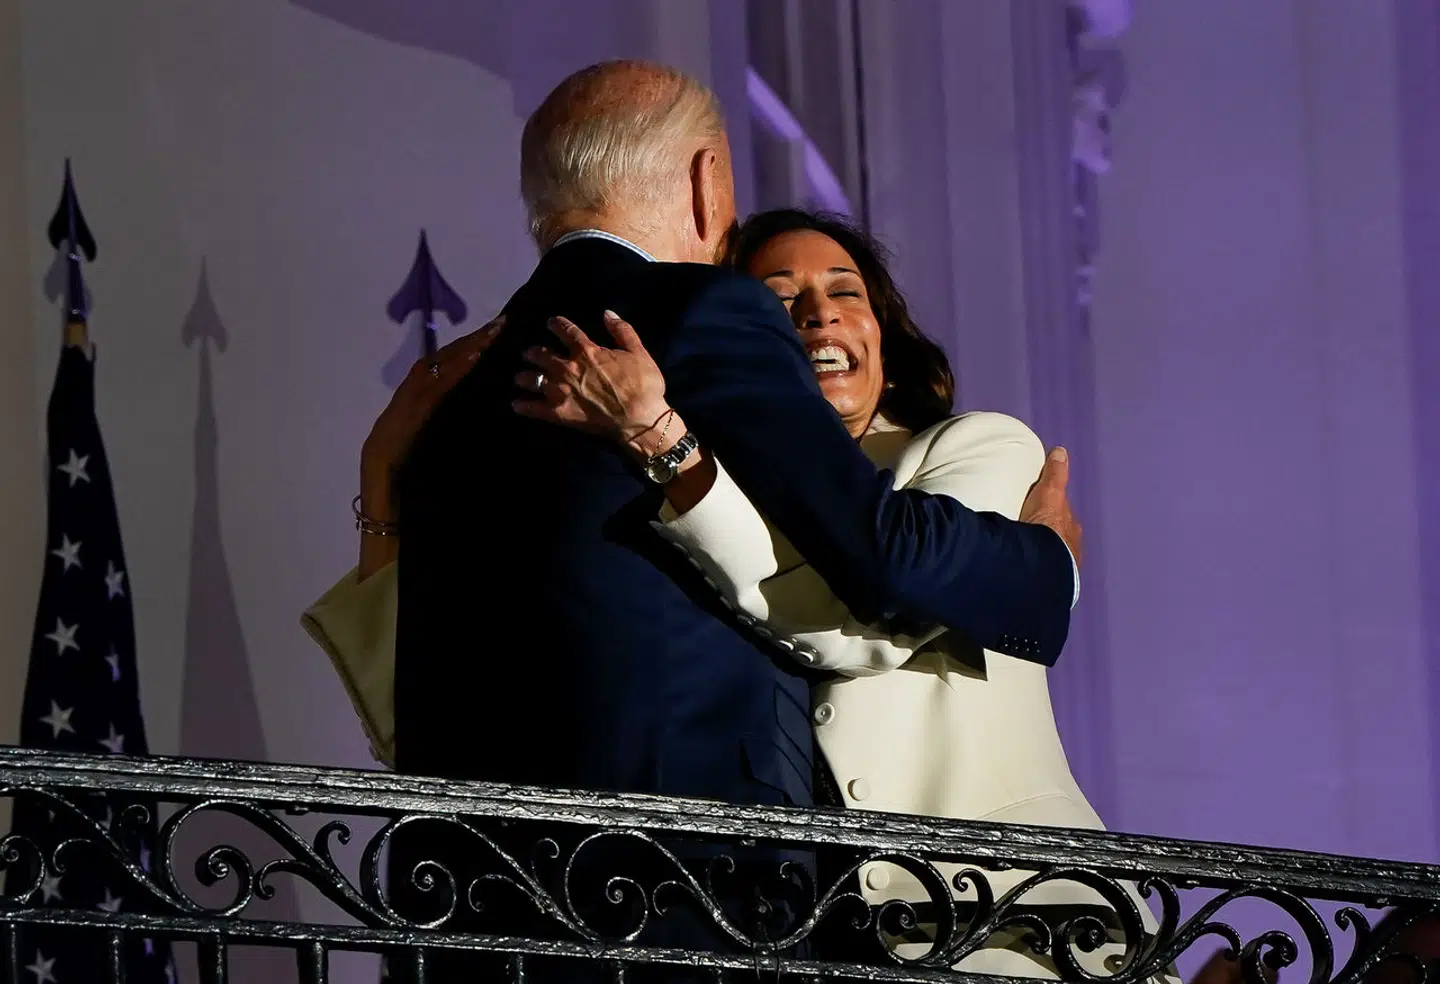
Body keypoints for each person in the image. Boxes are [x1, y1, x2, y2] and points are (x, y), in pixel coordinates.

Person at [306, 60, 1079, 979]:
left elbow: (423, 693)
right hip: (685, 893)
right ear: (710, 185)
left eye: (844, 291)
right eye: (783, 297)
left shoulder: (454, 392)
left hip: (469, 907)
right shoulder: (700, 313)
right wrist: (1048, 563)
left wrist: (381, 482)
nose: (810, 319)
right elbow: (879, 561)